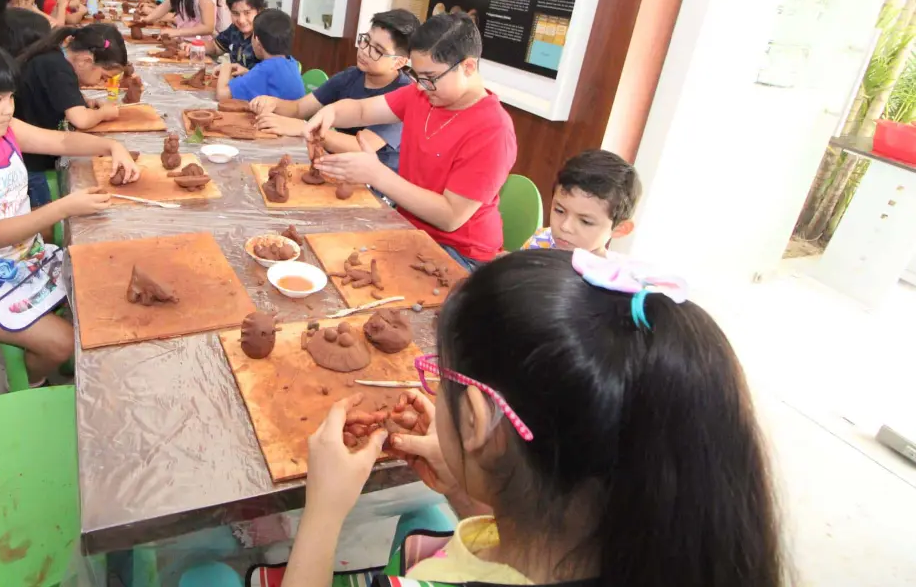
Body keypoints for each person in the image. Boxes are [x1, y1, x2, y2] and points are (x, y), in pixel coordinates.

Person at [276, 249, 783, 587]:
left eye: (439, 374)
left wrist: (324, 511)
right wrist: (467, 489)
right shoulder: (658, 548)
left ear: (476, 421)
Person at [0, 36, 139, 385]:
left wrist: (111, 145)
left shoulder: (1, 131)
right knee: (63, 344)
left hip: (19, 258)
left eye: (11, 97)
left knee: (98, 284)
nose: (8, 109)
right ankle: (27, 382)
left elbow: (61, 141)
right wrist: (63, 207)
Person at [305, 13, 516, 269]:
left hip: (458, 253)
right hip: (408, 227)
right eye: (417, 76)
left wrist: (377, 175)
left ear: (468, 67)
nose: (421, 87)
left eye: (430, 77)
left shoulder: (493, 130)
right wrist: (330, 113)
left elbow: (450, 216)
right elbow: (361, 111)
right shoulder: (423, 95)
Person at [252, 8, 419, 172]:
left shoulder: (404, 94)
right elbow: (300, 108)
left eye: (377, 50)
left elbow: (361, 146)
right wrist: (273, 103)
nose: (365, 51)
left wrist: (305, 128)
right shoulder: (351, 76)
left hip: (375, 185)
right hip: (336, 166)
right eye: (366, 41)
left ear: (399, 62)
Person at [0, 20, 128, 207]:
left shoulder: (56, 57)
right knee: (42, 212)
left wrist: (83, 101)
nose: (100, 83)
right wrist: (104, 113)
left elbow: (60, 93)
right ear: (87, 61)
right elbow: (81, 119)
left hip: (30, 146)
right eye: (103, 77)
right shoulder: (58, 68)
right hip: (28, 162)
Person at [524, 149, 641, 257]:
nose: (565, 227)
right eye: (559, 210)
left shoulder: (608, 276)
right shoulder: (539, 241)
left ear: (620, 228)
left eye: (585, 221)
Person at [217, 8, 304, 102]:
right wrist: (248, 73)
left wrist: (225, 67)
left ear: (257, 41)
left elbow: (221, 95)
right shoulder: (291, 62)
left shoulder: (265, 70)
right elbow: (268, 82)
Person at [206, 0, 264, 71]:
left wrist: (246, 73)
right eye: (235, 13)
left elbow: (270, 75)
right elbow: (216, 47)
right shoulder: (234, 29)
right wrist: (195, 46)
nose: (241, 20)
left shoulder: (265, 36)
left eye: (247, 13)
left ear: (259, 11)